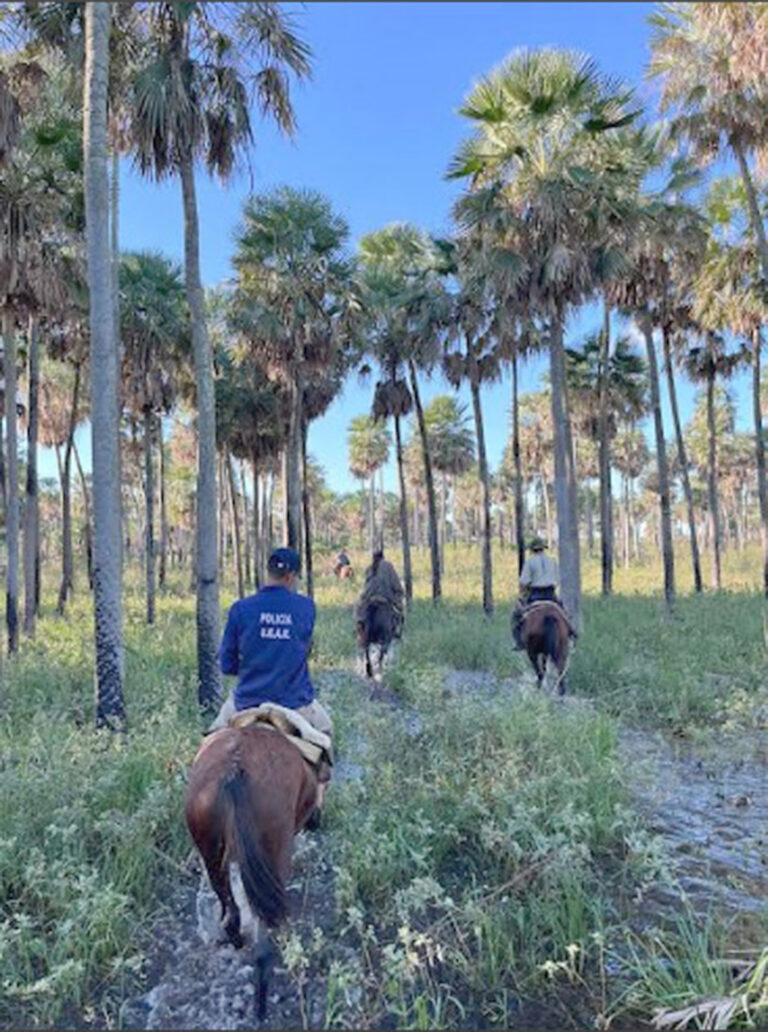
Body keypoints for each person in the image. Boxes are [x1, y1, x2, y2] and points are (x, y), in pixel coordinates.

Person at [209, 546, 333, 812]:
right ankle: (317, 806)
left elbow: (227, 664)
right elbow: (301, 649)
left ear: (269, 573)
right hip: (295, 705)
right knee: (324, 733)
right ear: (290, 577)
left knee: (209, 744)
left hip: (246, 705)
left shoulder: (240, 609)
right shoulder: (305, 607)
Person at [512, 537, 578, 650]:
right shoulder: (552, 561)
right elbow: (557, 579)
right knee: (564, 614)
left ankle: (519, 642)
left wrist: (522, 595)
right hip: (550, 594)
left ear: (532, 549)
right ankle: (571, 635)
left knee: (516, 617)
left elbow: (524, 582)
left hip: (535, 594)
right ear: (543, 549)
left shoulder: (530, 562)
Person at [355, 548, 405, 638]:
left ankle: (360, 630)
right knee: (399, 613)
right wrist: (398, 598)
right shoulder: (388, 566)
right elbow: (397, 586)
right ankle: (397, 629)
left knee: (358, 610)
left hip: (370, 599)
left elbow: (366, 587)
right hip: (386, 599)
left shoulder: (369, 569)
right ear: (383, 557)